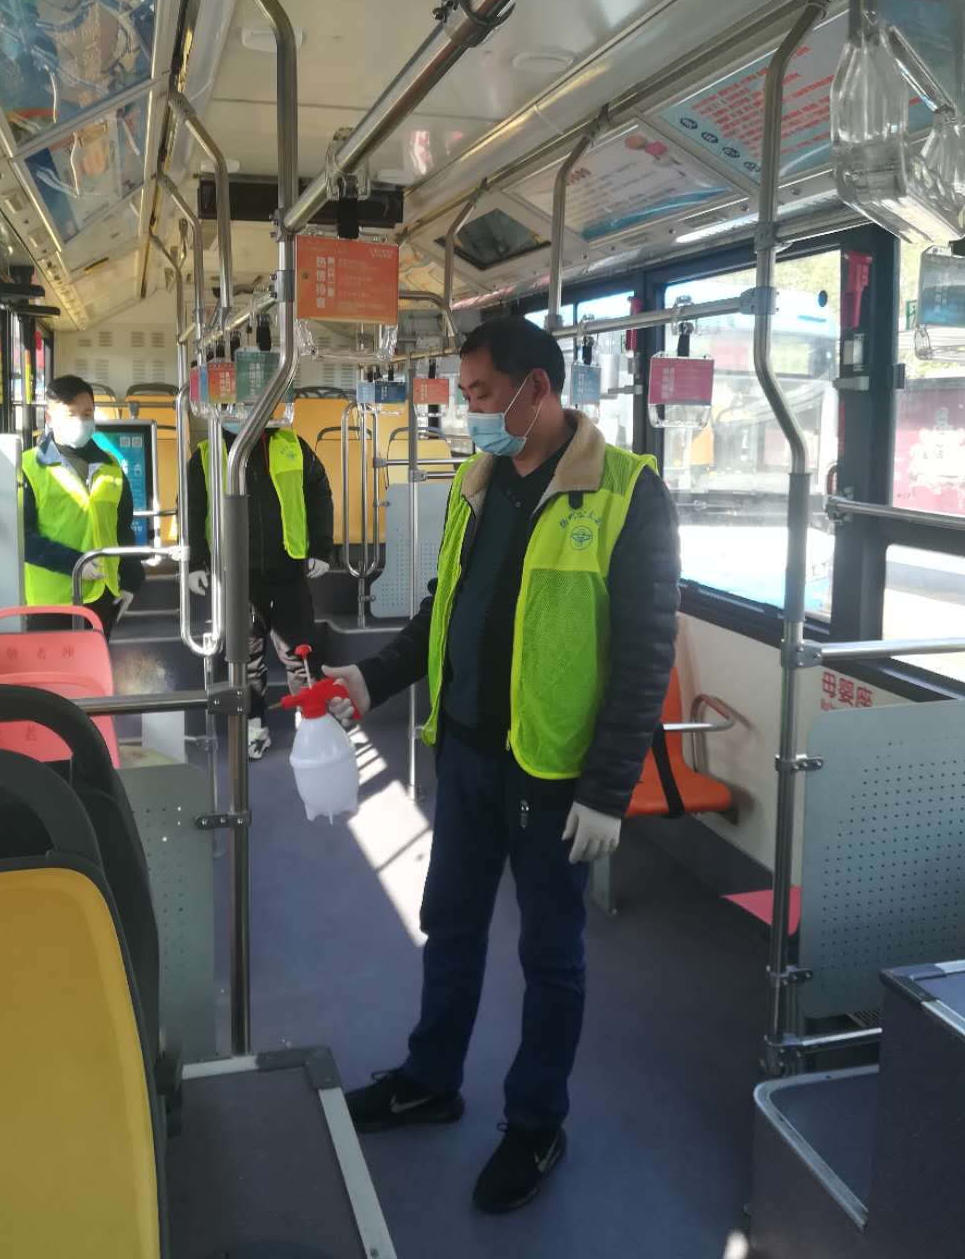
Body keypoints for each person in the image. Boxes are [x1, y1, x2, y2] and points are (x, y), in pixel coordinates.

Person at [324, 316, 680, 1214]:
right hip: (468, 755)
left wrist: (608, 790)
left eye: (481, 394)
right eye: (465, 394)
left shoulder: (628, 494)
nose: (469, 411)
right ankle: (429, 1079)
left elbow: (645, 654)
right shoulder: (475, 483)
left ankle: (535, 1123)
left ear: (537, 389)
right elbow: (445, 610)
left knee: (550, 955)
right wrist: (372, 679)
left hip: (553, 778)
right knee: (450, 925)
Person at [187, 405, 334, 759]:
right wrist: (195, 562)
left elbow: (319, 495)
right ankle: (254, 726)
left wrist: (320, 548)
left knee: (300, 652)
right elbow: (192, 509)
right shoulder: (206, 456)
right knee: (246, 656)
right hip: (235, 573)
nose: (244, 413)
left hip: (287, 569)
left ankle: (310, 722)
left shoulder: (292, 445)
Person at [21, 374, 144, 638]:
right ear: (49, 418)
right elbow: (23, 538)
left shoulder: (111, 466)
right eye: (70, 414)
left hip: (102, 596)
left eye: (87, 413)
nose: (80, 421)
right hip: (52, 603)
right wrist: (74, 563)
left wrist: (131, 579)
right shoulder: (29, 467)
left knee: (94, 664)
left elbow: (122, 527)